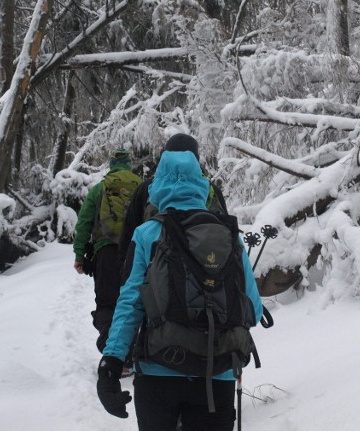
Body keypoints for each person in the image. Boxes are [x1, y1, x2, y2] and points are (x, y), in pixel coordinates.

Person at [96, 149, 263, 431]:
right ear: (201, 184)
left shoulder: (147, 233)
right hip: (217, 373)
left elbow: (130, 304)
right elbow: (253, 311)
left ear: (157, 185)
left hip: (159, 373)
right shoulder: (228, 236)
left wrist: (111, 363)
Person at [118, 133, 228, 275]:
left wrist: (124, 270)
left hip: (157, 276)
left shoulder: (148, 189)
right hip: (205, 275)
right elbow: (225, 234)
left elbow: (129, 233)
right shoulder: (210, 189)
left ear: (165, 157)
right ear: (196, 159)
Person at [73, 149, 142, 354]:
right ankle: (133, 351)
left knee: (107, 303)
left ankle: (113, 355)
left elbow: (84, 223)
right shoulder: (141, 187)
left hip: (106, 254)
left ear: (111, 165)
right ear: (129, 165)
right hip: (136, 253)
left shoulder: (99, 189)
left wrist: (79, 255)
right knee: (134, 301)